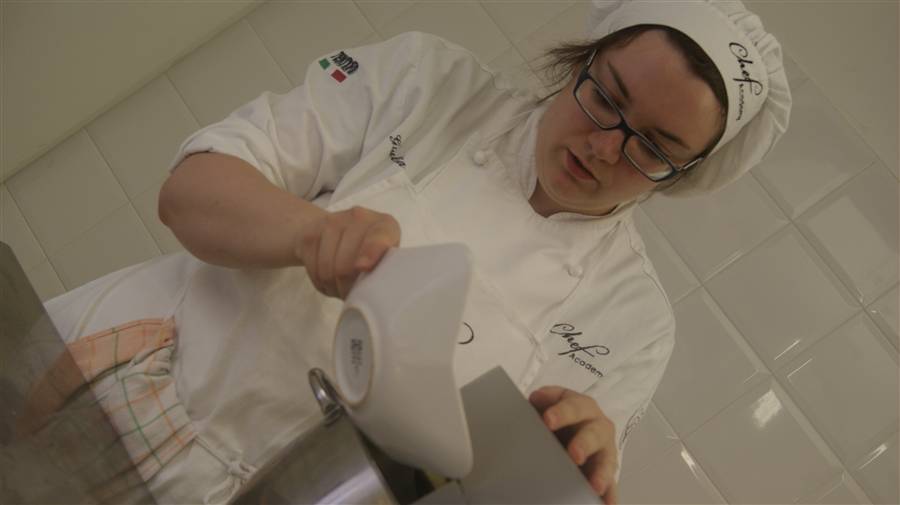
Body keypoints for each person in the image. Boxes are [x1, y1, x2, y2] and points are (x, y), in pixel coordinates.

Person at [40, 1, 791, 504]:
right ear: (578, 62)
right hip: (126, 389)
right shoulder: (429, 82)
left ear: (683, 175)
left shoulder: (634, 321)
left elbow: (510, 489)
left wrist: (572, 468)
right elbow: (189, 192)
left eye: (652, 147)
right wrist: (308, 233)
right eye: (607, 97)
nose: (603, 147)